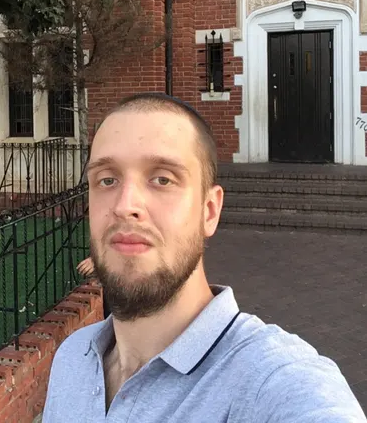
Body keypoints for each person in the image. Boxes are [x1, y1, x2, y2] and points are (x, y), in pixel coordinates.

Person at [43, 93, 366, 422]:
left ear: (209, 211)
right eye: (107, 180)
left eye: (162, 179)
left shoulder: (272, 380)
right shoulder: (73, 358)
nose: (125, 205)